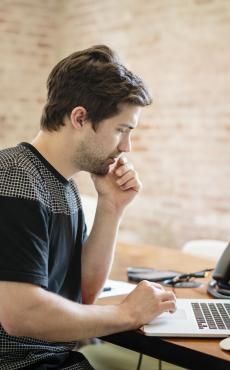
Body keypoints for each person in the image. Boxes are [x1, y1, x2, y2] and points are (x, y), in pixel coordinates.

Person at [0, 45, 176, 369]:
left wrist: (111, 207)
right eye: (121, 130)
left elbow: (82, 294)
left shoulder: (63, 186)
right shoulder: (16, 180)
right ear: (80, 118)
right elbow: (19, 314)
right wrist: (127, 313)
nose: (126, 146)